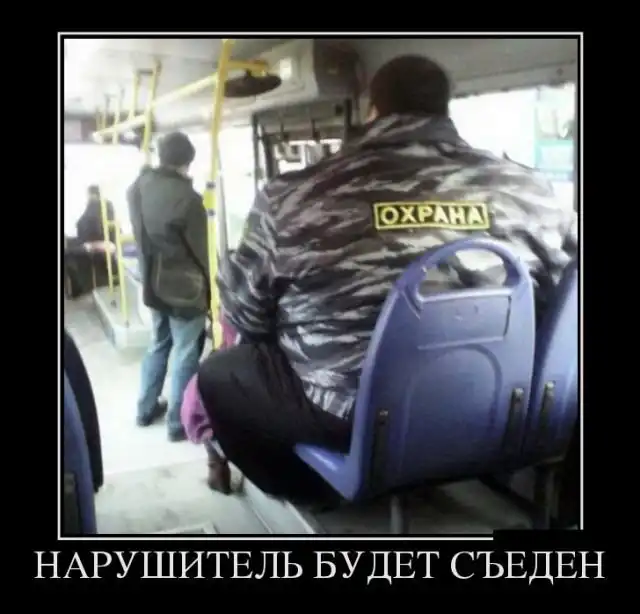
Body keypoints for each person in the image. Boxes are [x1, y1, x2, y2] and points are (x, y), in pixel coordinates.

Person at [195, 55, 578, 501]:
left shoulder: (292, 196)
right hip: (498, 399)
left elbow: (247, 316)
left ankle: (310, 491)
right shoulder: (532, 190)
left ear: (371, 109)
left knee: (220, 374)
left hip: (349, 413)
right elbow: (563, 298)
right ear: (444, 108)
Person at [127, 132, 209, 442]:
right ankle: (178, 423)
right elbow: (201, 254)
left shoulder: (138, 186)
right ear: (187, 161)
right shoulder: (189, 200)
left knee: (159, 343)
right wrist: (210, 292)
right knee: (186, 352)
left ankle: (145, 408)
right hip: (184, 289)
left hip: (151, 282)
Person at [64, 186, 117, 299]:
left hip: (97, 244)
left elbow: (89, 228)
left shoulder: (94, 206)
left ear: (90, 194)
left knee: (68, 253)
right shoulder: (107, 206)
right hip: (108, 242)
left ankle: (75, 291)